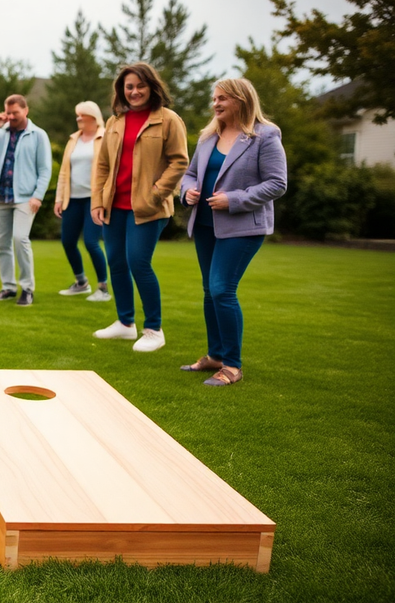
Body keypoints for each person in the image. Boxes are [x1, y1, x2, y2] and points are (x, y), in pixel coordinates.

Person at [178, 78, 287, 386]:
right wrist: (187, 192)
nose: (216, 103)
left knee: (222, 289)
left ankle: (232, 365)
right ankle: (215, 355)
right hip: (205, 224)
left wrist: (234, 199)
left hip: (242, 227)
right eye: (215, 98)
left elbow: (277, 183)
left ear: (241, 100)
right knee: (209, 291)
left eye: (223, 98)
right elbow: (190, 174)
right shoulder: (208, 136)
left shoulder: (265, 135)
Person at [90, 62, 189, 351]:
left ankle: (154, 329)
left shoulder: (169, 120)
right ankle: (125, 324)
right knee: (116, 263)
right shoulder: (114, 121)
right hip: (114, 206)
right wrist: (98, 201)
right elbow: (103, 165)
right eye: (129, 87)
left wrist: (156, 194)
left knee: (138, 263)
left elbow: (179, 161)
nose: (134, 91)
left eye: (140, 86)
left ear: (151, 87)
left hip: (148, 208)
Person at [0, 94, 51, 306]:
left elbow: (45, 169)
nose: (12, 116)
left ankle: (27, 288)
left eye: (15, 112)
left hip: (25, 198)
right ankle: (8, 287)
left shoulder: (38, 135)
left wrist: (38, 196)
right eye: (8, 112)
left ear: (26, 110)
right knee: (3, 245)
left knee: (20, 239)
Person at [54, 101, 110, 302]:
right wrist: (59, 198)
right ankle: (81, 283)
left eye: (82, 115)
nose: (78, 118)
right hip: (72, 199)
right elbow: (64, 171)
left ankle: (103, 288)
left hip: (94, 200)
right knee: (68, 242)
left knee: (91, 242)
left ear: (93, 117)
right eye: (77, 115)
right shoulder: (73, 139)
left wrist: (104, 199)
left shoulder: (105, 137)